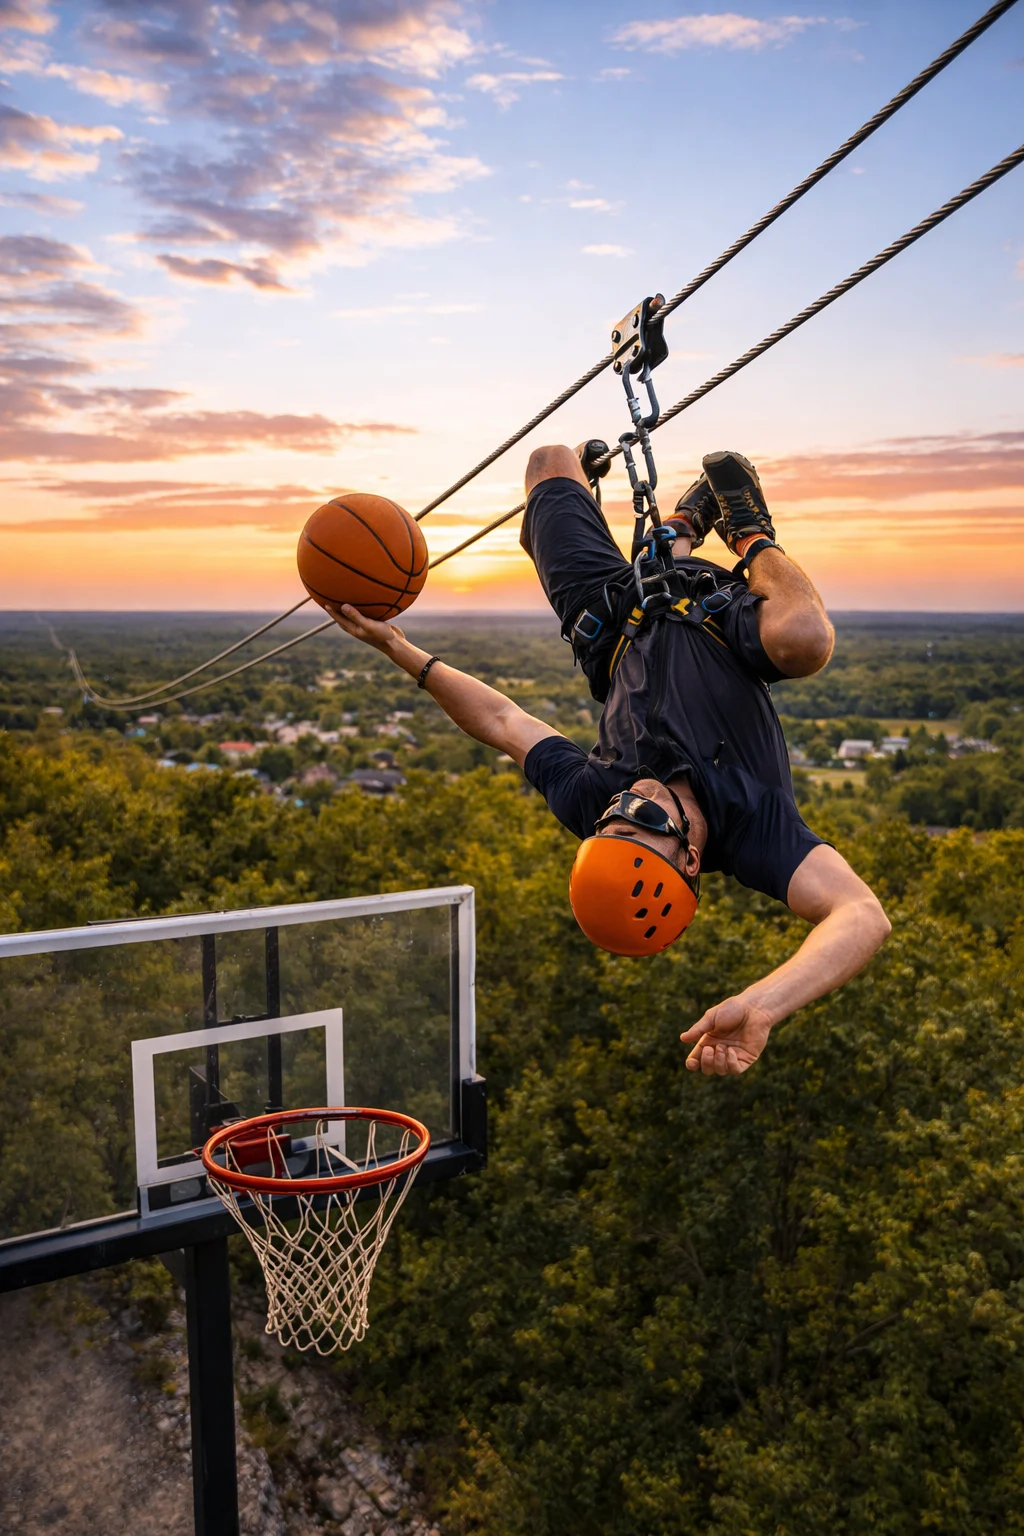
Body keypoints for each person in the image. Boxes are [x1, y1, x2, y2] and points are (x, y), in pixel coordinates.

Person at [321, 447, 890, 1078]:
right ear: (691, 857)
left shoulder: (592, 799)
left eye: (612, 818)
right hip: (722, 624)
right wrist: (763, 1005)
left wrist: (400, 650)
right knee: (806, 641)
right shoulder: (758, 833)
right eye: (641, 817)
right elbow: (861, 916)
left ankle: (669, 532)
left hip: (615, 622)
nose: (626, 798)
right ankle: (750, 530)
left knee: (548, 463)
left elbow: (504, 724)